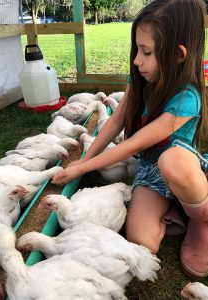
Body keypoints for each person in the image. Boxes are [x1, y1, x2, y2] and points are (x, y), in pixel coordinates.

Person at [52, 0, 208, 278]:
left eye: (146, 52)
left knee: (172, 161)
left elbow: (132, 145)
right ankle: (179, 208)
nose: (137, 59)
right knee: (142, 241)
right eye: (137, 49)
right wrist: (85, 159)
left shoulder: (188, 97)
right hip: (151, 170)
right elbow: (115, 121)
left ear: (178, 55)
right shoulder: (138, 79)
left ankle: (202, 220)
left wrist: (82, 168)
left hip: (182, 166)